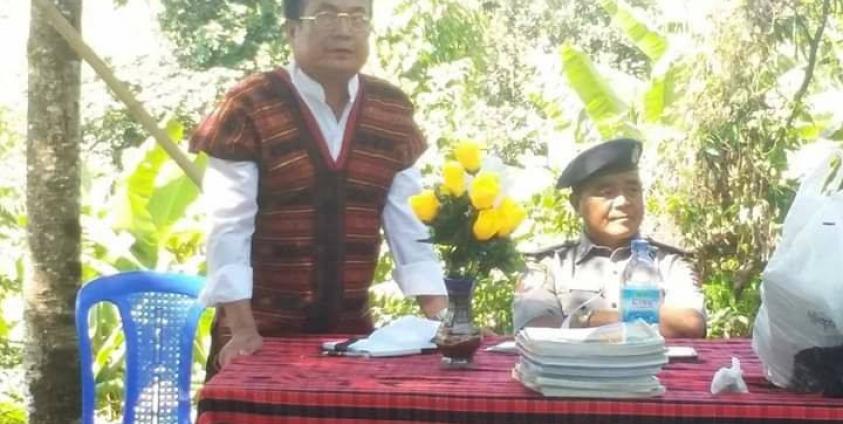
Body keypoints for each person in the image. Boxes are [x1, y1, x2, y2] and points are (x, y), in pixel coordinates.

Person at [190, 0, 448, 378]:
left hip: (351, 340)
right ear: (291, 30)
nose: (343, 30)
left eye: (357, 17)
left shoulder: (390, 111)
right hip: (257, 339)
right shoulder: (250, 106)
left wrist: (444, 319)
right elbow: (229, 225)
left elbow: (410, 226)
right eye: (326, 15)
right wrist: (243, 328)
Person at [512, 138, 706, 338]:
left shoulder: (669, 263)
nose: (624, 201)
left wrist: (585, 320)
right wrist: (646, 321)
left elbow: (689, 325)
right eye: (607, 192)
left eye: (633, 190)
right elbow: (536, 331)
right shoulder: (549, 266)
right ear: (576, 203)